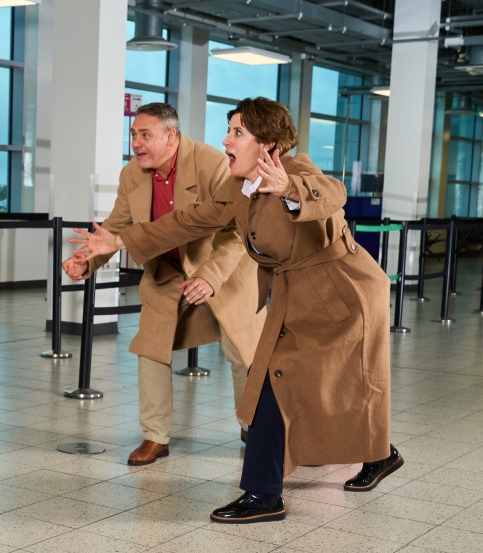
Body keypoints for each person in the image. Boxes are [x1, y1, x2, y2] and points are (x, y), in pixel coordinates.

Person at [69, 97, 403, 523]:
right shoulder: (237, 186)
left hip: (344, 293)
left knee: (341, 380)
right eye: (228, 130)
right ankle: (349, 463)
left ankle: (274, 491)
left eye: (237, 132)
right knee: (288, 380)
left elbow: (332, 195)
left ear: (268, 145)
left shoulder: (296, 169)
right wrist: (117, 242)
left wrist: (290, 190)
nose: (226, 140)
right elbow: (187, 221)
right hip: (293, 293)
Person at [63, 103, 265, 466]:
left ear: (171, 137)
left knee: (241, 350)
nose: (136, 143)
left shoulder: (211, 164)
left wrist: (210, 276)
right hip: (166, 271)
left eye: (145, 135)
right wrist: (87, 260)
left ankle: (251, 423)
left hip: (221, 267)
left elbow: (237, 231)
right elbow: (117, 229)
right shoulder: (132, 175)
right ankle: (155, 436)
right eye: (134, 134)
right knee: (151, 348)